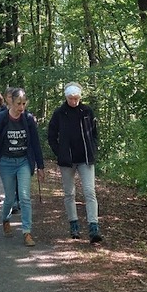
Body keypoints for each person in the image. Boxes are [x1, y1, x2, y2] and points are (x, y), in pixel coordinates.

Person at [0, 88, 44, 247]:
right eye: (19, 103)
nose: (21, 107)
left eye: (24, 104)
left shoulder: (28, 119)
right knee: (10, 198)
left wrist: (40, 166)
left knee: (25, 197)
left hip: (23, 161)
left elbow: (35, 143)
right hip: (6, 163)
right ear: (11, 101)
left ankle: (27, 232)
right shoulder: (3, 118)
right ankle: (5, 219)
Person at [47, 83, 103, 243]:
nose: (74, 101)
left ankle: (94, 227)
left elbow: (94, 133)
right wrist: (59, 152)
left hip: (85, 158)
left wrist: (93, 148)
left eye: (76, 98)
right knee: (69, 193)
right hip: (67, 160)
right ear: (66, 97)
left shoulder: (87, 111)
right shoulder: (59, 113)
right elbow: (51, 135)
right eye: (71, 98)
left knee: (90, 192)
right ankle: (74, 225)